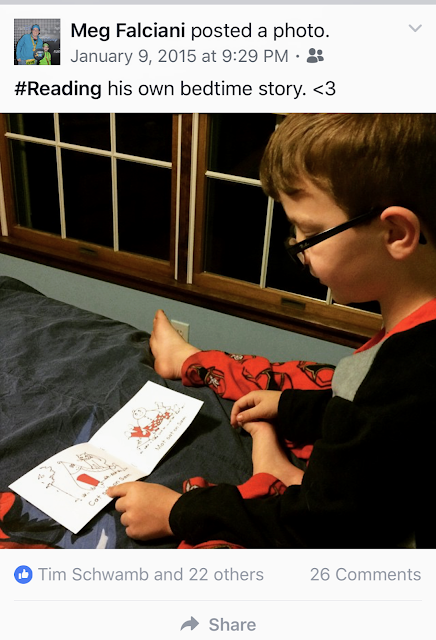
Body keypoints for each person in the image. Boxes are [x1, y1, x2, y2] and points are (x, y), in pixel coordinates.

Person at [108, 114, 436, 548]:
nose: (299, 249)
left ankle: (273, 471)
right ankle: (190, 362)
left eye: (311, 232)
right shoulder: (408, 350)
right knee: (296, 381)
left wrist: (177, 512)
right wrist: (289, 406)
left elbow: (319, 528)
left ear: (395, 233)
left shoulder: (400, 376)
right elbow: (372, 416)